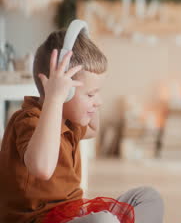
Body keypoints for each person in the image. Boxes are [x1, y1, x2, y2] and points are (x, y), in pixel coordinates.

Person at [0, 23, 164, 223]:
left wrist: (91, 100)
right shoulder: (29, 121)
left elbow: (93, 129)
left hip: (72, 214)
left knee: (149, 198)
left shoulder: (70, 121)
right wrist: (54, 99)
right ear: (63, 91)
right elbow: (42, 167)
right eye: (91, 94)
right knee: (103, 221)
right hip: (38, 220)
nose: (99, 101)